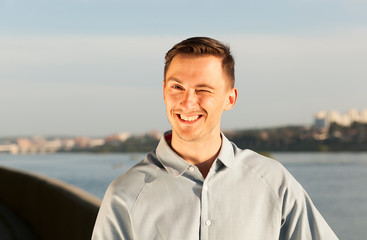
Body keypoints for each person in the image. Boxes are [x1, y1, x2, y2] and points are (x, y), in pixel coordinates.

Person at [92, 37, 338, 239]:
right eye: (177, 87)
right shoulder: (125, 195)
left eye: (203, 90)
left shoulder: (274, 182)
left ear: (230, 98)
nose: (188, 102)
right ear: (164, 92)